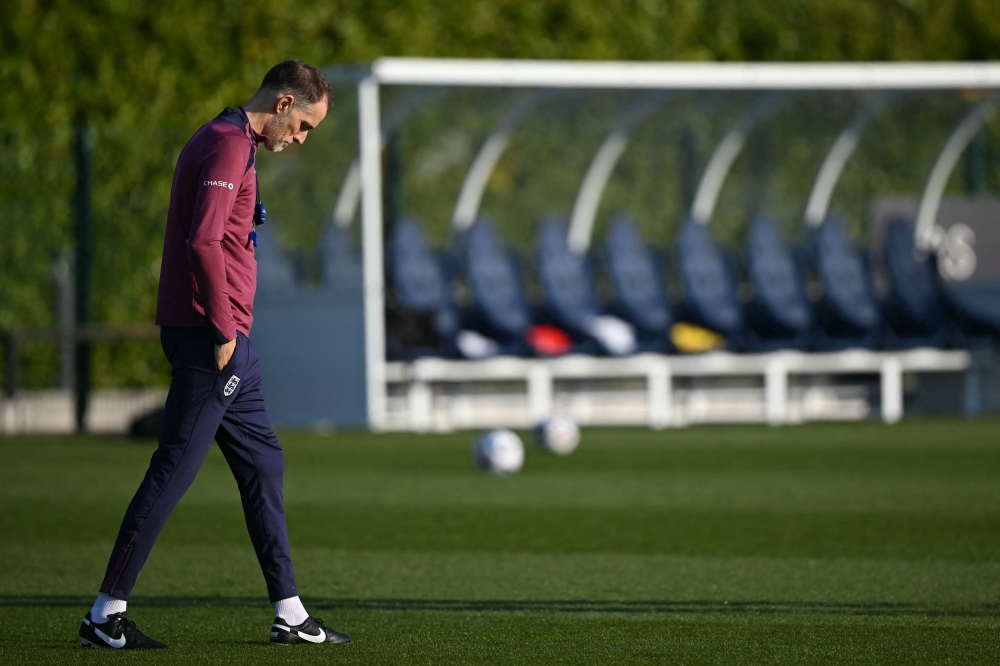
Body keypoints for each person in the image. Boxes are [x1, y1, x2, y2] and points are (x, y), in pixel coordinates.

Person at [78, 59, 349, 650]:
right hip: (212, 340)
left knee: (263, 465)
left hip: (227, 344)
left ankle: (291, 613)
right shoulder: (228, 145)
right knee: (173, 470)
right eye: (303, 126)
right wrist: (225, 329)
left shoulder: (227, 139)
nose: (300, 139)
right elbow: (202, 240)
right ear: (282, 105)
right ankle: (105, 615)